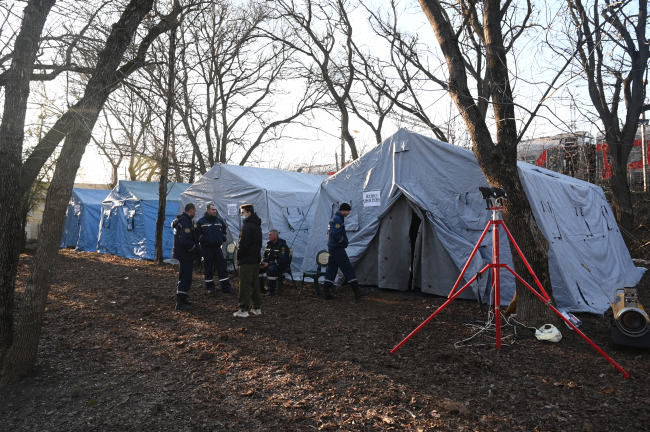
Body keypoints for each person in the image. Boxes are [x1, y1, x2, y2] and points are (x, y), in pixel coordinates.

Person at [323, 203, 370, 300]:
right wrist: (343, 241)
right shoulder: (338, 219)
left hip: (332, 247)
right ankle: (356, 290)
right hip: (337, 248)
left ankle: (326, 291)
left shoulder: (334, 218)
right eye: (348, 211)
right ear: (343, 210)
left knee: (332, 268)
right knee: (347, 267)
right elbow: (335, 234)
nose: (349, 213)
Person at [195, 204, 234, 295]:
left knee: (222, 268)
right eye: (212, 210)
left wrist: (222, 237)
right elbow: (196, 233)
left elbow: (224, 230)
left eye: (215, 210)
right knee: (208, 268)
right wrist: (203, 239)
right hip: (207, 249)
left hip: (217, 248)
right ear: (207, 210)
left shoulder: (219, 221)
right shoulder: (201, 222)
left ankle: (226, 287)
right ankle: (210, 288)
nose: (214, 211)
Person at [233, 204, 263, 317]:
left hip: (247, 259)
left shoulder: (247, 227)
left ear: (248, 213)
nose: (241, 215)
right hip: (255, 258)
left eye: (242, 212)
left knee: (245, 284)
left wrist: (239, 256)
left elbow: (243, 244)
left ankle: (243, 309)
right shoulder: (257, 226)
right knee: (255, 284)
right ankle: (257, 307)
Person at [172, 203, 202, 311]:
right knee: (185, 277)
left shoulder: (183, 222)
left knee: (185, 277)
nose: (195, 213)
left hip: (184, 254)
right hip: (185, 255)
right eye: (195, 211)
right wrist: (194, 249)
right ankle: (180, 302)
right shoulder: (184, 223)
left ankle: (183, 298)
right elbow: (185, 240)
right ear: (191, 211)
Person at [259, 229, 290, 296]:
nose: (268, 236)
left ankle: (271, 290)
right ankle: (261, 288)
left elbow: (283, 260)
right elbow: (265, 256)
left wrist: (269, 264)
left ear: (275, 236)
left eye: (270, 235)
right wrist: (264, 262)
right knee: (258, 269)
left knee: (271, 269)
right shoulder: (269, 245)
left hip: (281, 265)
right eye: (269, 235)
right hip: (270, 264)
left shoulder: (282, 246)